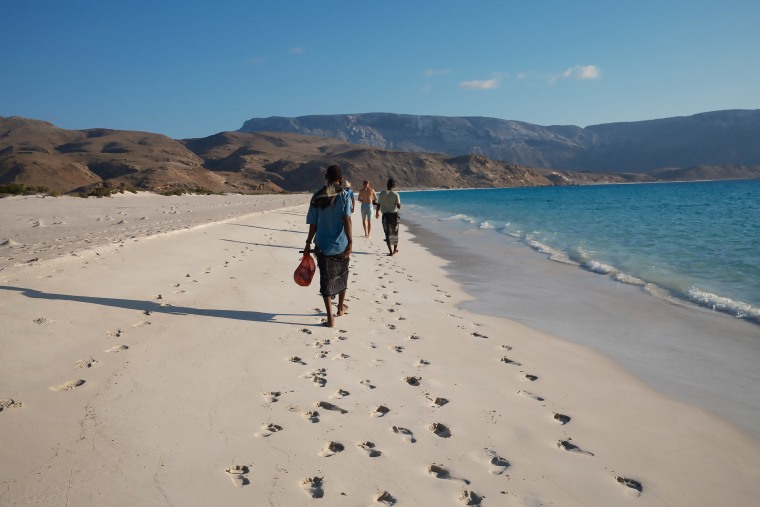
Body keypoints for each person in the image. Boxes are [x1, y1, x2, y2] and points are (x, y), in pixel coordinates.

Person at [304, 165, 353, 327]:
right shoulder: (344, 196)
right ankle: (340, 308)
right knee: (341, 275)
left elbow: (313, 224)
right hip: (341, 245)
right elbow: (347, 219)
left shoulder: (317, 197)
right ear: (340, 179)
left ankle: (330, 317)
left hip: (323, 246)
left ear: (325, 177)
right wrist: (351, 242)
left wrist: (307, 243)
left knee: (326, 279)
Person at [375, 178, 401, 256]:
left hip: (385, 215)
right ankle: (395, 250)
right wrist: (398, 204)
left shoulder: (382, 193)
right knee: (395, 233)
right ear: (394, 186)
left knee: (387, 233)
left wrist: (377, 213)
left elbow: (378, 204)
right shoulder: (396, 194)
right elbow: (399, 206)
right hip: (393, 215)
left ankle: (390, 252)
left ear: (387, 185)